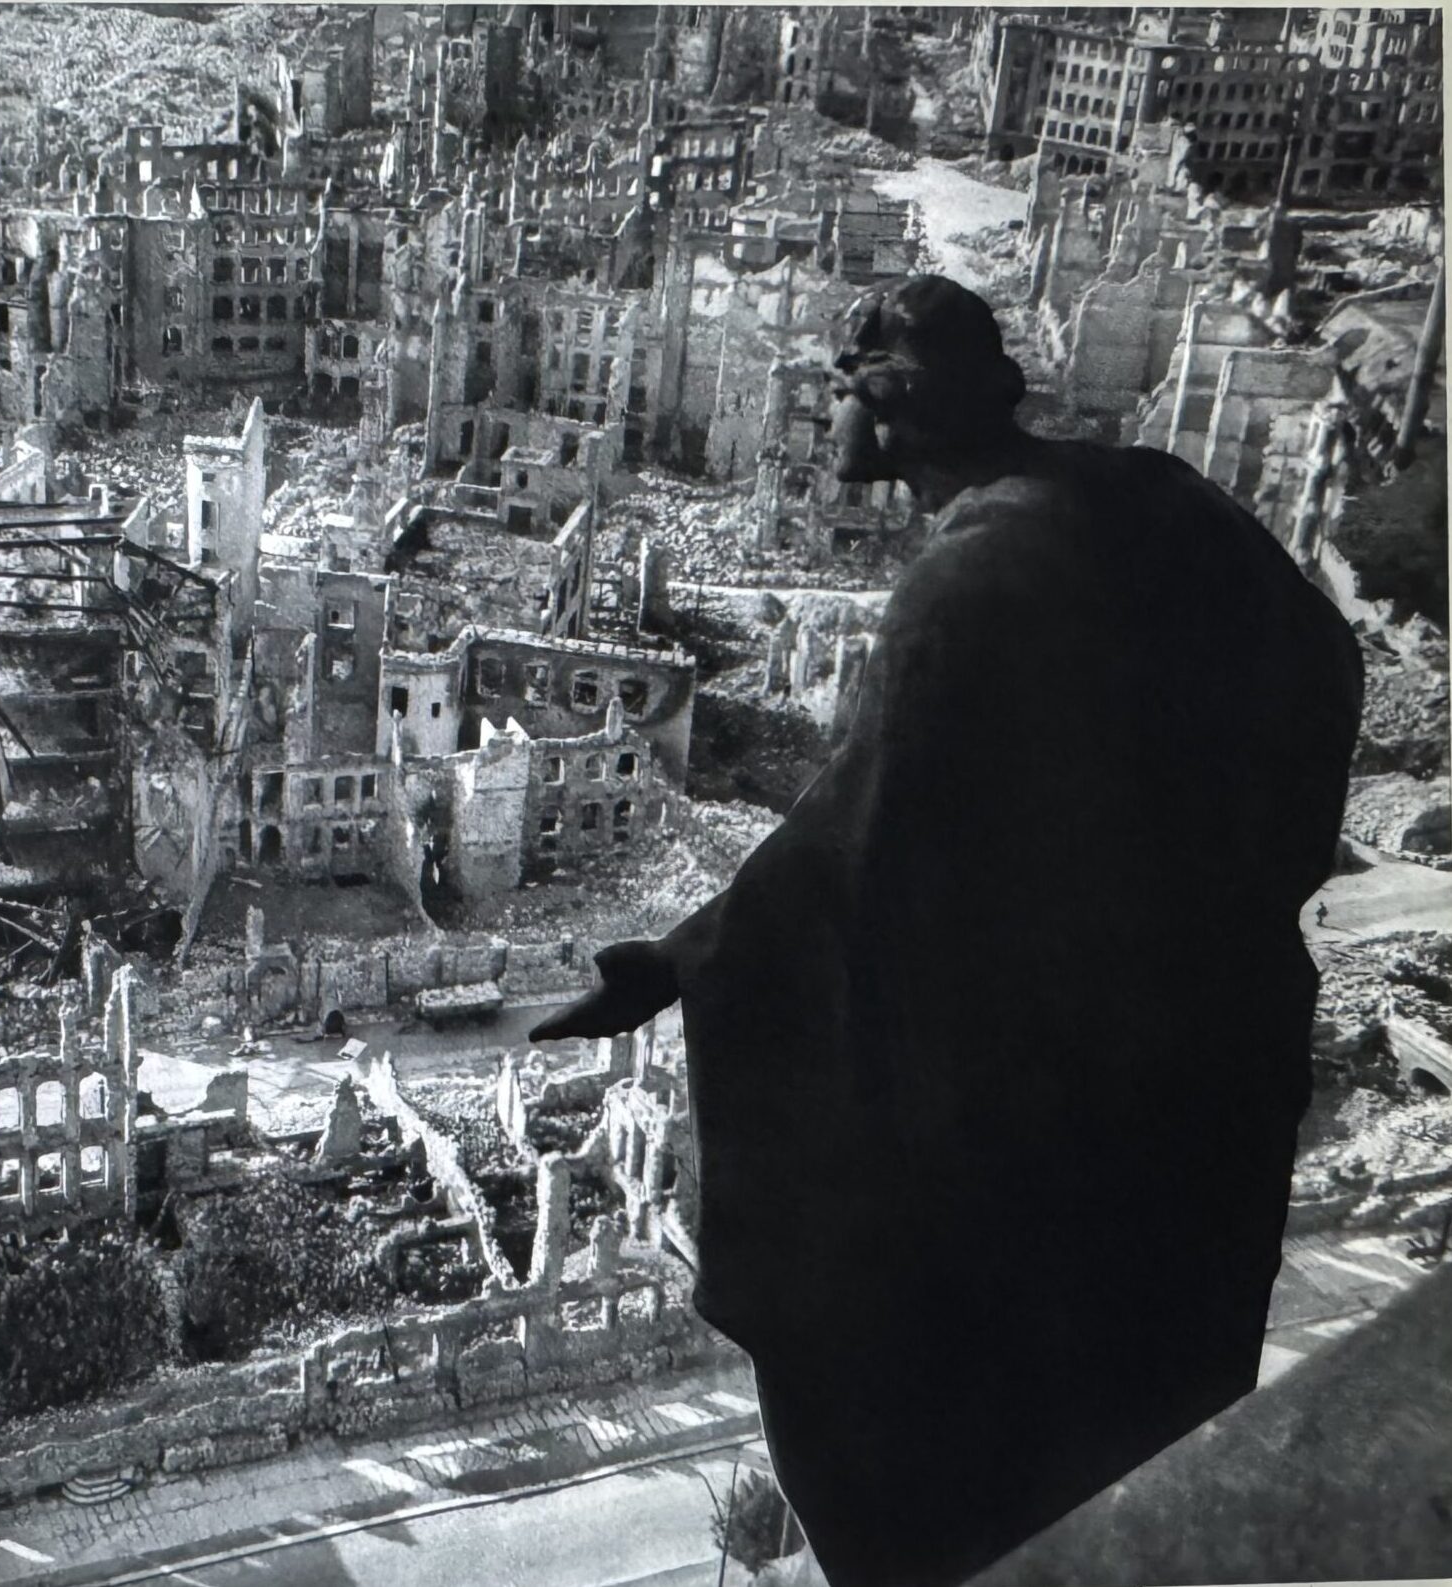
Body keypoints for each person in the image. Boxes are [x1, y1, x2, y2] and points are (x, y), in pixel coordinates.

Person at [533, 276, 1363, 1587]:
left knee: (884, 1337)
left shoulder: (969, 583)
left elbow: (853, 848)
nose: (823, 411)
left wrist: (671, 963)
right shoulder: (1146, 493)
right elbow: (1315, 658)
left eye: (841, 383)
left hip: (1043, 1088)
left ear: (890, 406)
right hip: (1183, 1056)